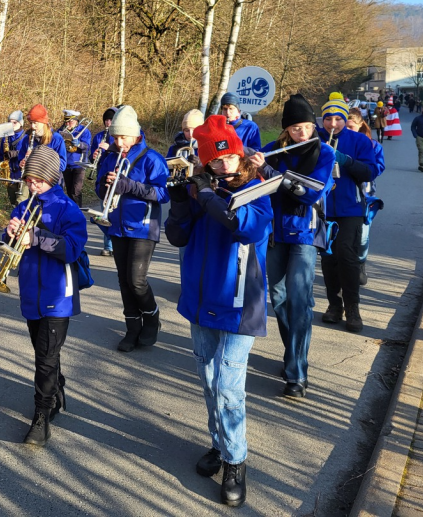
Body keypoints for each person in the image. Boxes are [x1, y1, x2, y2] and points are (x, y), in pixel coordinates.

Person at [164, 115, 273, 507]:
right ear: (206, 162)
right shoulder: (198, 191)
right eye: (216, 160)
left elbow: (245, 227)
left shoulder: (257, 189)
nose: (224, 165)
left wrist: (207, 196)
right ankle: (220, 443)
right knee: (209, 381)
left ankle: (236, 462)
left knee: (229, 387)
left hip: (240, 304)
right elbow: (178, 236)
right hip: (200, 302)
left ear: (240, 155)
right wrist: (180, 202)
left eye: (230, 158)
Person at [4, 145, 87, 447]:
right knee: (44, 354)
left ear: (52, 177)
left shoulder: (68, 209)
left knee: (45, 358)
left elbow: (72, 249)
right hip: (30, 291)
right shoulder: (25, 206)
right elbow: (10, 239)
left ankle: (41, 416)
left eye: (38, 180)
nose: (32, 184)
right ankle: (57, 389)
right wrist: (11, 231)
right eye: (29, 179)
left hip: (58, 294)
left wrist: (36, 237)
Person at [258, 94, 335, 398]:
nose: (300, 134)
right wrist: (252, 161)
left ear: (313, 125)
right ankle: (294, 353)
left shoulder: (324, 153)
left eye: (305, 127)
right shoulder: (274, 151)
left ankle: (297, 373)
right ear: (286, 130)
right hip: (275, 234)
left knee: (300, 302)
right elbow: (248, 169)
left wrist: (272, 174)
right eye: (294, 129)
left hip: (304, 234)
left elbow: (309, 195)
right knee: (278, 298)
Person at [95, 105, 169, 352]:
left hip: (143, 227)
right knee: (124, 281)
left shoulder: (152, 158)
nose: (118, 142)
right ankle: (132, 328)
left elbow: (162, 193)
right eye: (115, 137)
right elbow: (97, 190)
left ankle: (152, 319)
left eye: (123, 137)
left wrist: (130, 186)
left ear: (136, 134)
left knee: (137, 280)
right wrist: (106, 187)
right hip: (116, 226)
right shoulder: (109, 157)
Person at [318, 93, 380, 333]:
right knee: (328, 257)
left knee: (347, 254)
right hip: (323, 208)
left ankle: (353, 307)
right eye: (328, 119)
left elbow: (370, 172)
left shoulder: (358, 141)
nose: (332, 124)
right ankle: (334, 305)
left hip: (350, 207)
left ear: (345, 118)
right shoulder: (314, 138)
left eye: (337, 119)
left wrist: (345, 161)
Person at [346, 110, 386, 286]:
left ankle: (361, 262)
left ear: (361, 125)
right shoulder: (337, 143)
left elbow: (377, 168)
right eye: (344, 126)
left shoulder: (373, 145)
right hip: (341, 197)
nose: (347, 130)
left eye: (351, 127)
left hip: (365, 197)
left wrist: (359, 166)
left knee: (362, 236)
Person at [90, 107, 118, 256]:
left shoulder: (118, 137)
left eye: (111, 120)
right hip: (102, 174)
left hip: (116, 174)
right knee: (103, 210)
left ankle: (113, 244)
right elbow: (90, 156)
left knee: (113, 210)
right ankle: (108, 245)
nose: (108, 123)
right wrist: (94, 156)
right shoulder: (99, 136)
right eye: (106, 120)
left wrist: (109, 149)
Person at [18, 104, 68, 179]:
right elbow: (20, 157)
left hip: (51, 181)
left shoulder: (56, 138)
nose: (32, 126)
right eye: (31, 123)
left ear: (43, 122)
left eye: (35, 123)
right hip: (33, 181)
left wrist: (39, 158)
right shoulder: (27, 138)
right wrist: (21, 163)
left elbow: (62, 165)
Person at [57, 109, 91, 206]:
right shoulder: (61, 130)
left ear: (76, 120)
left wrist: (79, 144)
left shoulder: (84, 131)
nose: (67, 124)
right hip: (66, 164)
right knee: (69, 191)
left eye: (70, 121)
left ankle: (78, 213)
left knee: (76, 191)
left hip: (79, 165)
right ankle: (72, 212)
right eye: (66, 121)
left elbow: (87, 146)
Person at [0, 110, 30, 205]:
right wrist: (4, 164)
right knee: (13, 202)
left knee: (21, 202)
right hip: (10, 174)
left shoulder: (27, 136)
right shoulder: (5, 136)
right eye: (10, 122)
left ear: (20, 123)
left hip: (23, 174)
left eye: (14, 122)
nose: (11, 124)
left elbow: (29, 153)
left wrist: (16, 153)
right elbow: (1, 153)